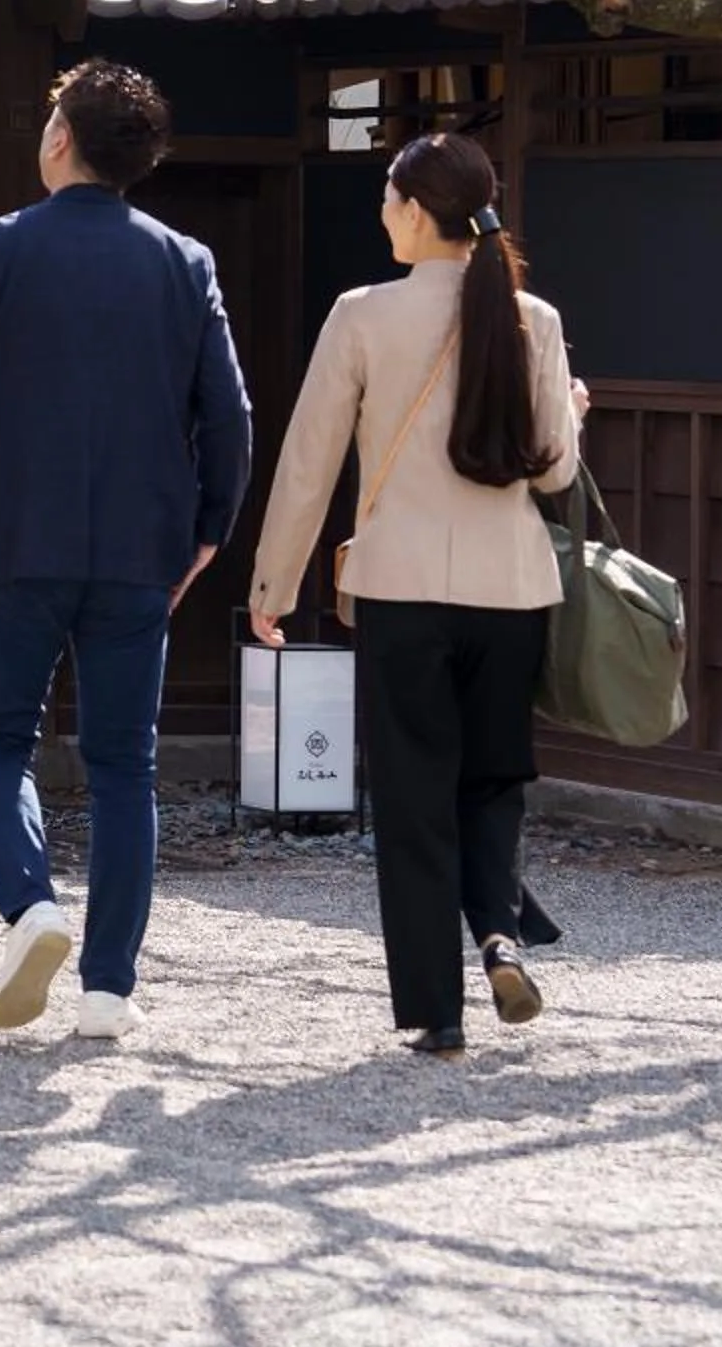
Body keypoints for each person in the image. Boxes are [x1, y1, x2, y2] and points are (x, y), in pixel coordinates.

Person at [0, 60, 251, 1043]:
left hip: (16, 536)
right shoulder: (185, 263)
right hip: (142, 547)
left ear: (59, 140)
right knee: (125, 763)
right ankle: (106, 991)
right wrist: (209, 528)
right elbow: (229, 414)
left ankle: (30, 903)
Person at [244, 133, 589, 1060]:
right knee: (493, 781)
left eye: (388, 198)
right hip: (511, 591)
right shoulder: (534, 319)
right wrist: (572, 414)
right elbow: (555, 470)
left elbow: (309, 461)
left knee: (414, 797)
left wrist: (275, 582)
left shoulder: (362, 315)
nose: (382, 213)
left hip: (400, 593)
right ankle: (501, 938)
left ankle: (437, 1013)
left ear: (417, 210)